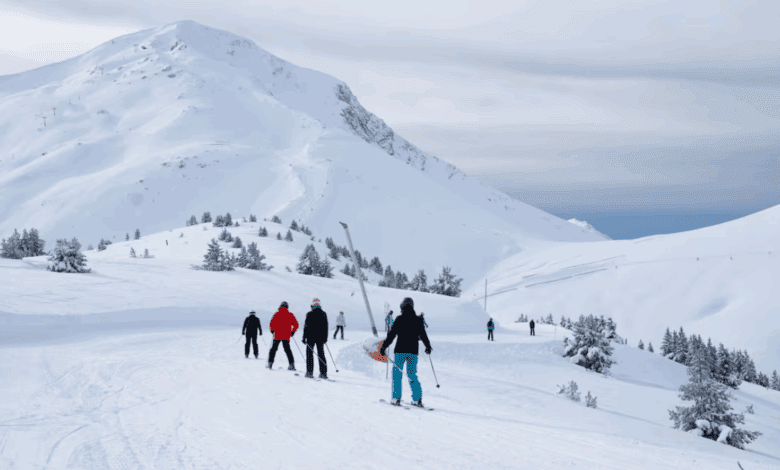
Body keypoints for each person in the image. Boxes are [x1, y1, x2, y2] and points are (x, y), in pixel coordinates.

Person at [379, 297, 432, 408]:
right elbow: (423, 335)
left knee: (397, 374)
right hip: (413, 352)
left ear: (402, 306)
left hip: (400, 351)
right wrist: (428, 347)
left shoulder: (399, 319)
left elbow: (391, 335)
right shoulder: (418, 320)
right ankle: (417, 399)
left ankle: (396, 398)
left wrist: (383, 347)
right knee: (412, 374)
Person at [267, 301, 299, 370]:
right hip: (286, 336)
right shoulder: (290, 315)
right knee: (287, 350)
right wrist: (292, 332)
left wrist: (272, 331)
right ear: (287, 307)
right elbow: (296, 324)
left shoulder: (276, 314)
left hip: (277, 335)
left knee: (273, 349)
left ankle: (270, 363)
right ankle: (292, 365)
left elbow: (271, 324)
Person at [303, 298, 329, 379]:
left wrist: (304, 337)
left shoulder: (309, 314)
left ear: (312, 305)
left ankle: (309, 372)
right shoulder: (323, 314)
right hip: (320, 338)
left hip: (310, 337)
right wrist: (325, 338)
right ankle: (323, 373)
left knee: (309, 355)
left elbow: (306, 327)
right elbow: (326, 327)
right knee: (321, 354)